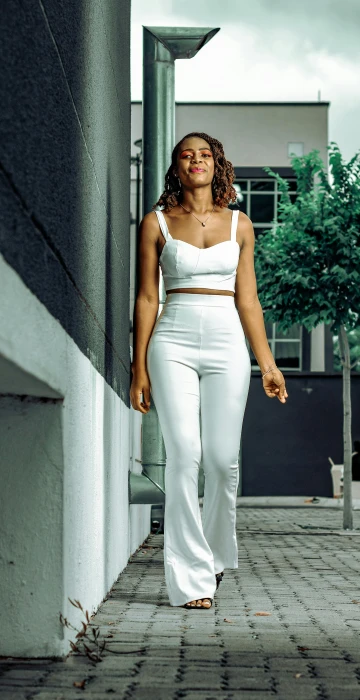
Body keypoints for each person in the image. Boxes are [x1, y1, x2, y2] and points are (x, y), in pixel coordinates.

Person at [130, 131, 288, 610]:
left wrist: (268, 363)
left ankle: (215, 554)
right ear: (175, 167)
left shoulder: (240, 224)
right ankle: (192, 580)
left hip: (225, 341)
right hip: (172, 338)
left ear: (217, 165)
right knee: (184, 456)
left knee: (222, 460)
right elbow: (147, 297)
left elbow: (249, 300)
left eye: (204, 155)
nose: (195, 161)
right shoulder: (156, 223)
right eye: (186, 155)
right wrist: (139, 368)